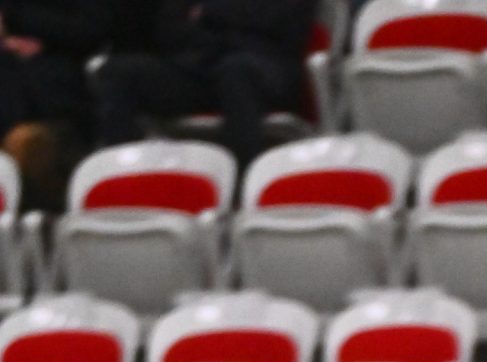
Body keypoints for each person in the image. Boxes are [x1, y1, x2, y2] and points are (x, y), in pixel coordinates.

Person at [94, 0, 318, 169]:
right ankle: (124, 176)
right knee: (118, 72)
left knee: (235, 73)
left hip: (265, 67)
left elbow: (280, 22)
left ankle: (245, 188)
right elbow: (169, 26)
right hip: (201, 65)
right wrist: (221, 25)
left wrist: (209, 12)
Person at [0, 0, 106, 210]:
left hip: (55, 100)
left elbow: (91, 32)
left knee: (27, 143)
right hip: (10, 82)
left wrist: (15, 17)